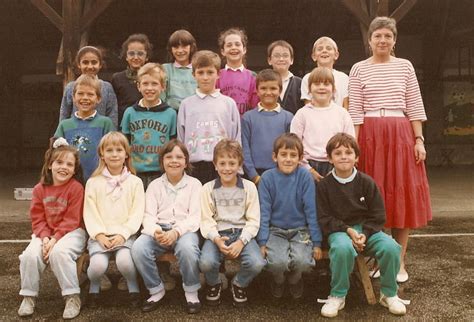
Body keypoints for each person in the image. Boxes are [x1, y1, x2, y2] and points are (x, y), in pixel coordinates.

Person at [348, 16, 432, 283]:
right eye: (377, 36)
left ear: (394, 41)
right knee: (376, 196)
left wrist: (419, 140)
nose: (382, 40)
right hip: (370, 136)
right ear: (369, 40)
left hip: (400, 134)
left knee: (402, 196)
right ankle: (380, 258)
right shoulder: (358, 69)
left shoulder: (405, 67)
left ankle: (399, 262)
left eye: (387, 36)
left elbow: (415, 106)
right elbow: (355, 112)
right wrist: (355, 147)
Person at [317, 133, 410, 317]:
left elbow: (378, 216)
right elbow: (324, 217)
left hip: (368, 231)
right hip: (340, 231)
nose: (343, 156)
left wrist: (365, 234)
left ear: (356, 157)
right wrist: (348, 230)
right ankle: (337, 295)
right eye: (338, 153)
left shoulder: (367, 182)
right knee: (342, 248)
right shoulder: (324, 186)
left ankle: (389, 294)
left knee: (391, 247)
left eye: (348, 152)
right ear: (330, 158)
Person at [18, 138, 85, 319]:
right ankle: (28, 296)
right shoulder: (40, 189)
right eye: (59, 162)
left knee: (59, 253)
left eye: (69, 164)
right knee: (30, 255)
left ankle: (72, 296)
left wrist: (55, 240)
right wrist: (46, 238)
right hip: (46, 233)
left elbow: (72, 219)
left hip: (72, 232)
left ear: (74, 169)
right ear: (49, 165)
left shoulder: (76, 188)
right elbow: (38, 218)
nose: (64, 167)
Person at [132, 139, 202, 314]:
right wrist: (155, 231)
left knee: (187, 249)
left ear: (186, 162)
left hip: (184, 230)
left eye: (179, 157)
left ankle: (191, 292)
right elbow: (147, 215)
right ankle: (156, 289)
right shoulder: (154, 185)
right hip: (158, 230)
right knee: (139, 248)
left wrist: (176, 232)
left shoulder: (195, 185)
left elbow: (195, 217)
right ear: (162, 161)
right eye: (169, 156)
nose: (174, 160)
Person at [199, 139, 265, 307]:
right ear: (215, 165)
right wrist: (215, 239)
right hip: (218, 234)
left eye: (232, 163)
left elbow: (253, 220)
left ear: (239, 164)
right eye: (222, 163)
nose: (227, 168)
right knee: (205, 262)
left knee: (257, 263)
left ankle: (239, 283)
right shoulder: (208, 188)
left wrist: (242, 241)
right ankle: (214, 283)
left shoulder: (249, 187)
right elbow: (206, 220)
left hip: (242, 234)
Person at [83, 132, 145, 308]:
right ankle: (93, 288)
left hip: (125, 235)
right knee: (96, 267)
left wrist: (123, 234)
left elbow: (137, 212)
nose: (114, 154)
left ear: (126, 154)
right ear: (102, 154)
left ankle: (133, 288)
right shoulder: (93, 182)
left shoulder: (135, 182)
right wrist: (99, 235)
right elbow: (90, 211)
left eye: (119, 149)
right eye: (109, 150)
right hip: (100, 236)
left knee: (125, 262)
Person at [257, 133, 322, 299]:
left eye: (293, 155)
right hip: (275, 230)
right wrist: (262, 242)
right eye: (283, 154)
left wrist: (316, 242)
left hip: (300, 229)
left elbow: (311, 211)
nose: (288, 159)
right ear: (274, 156)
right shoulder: (267, 178)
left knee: (303, 262)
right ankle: (278, 280)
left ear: (300, 158)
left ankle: (294, 280)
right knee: (277, 263)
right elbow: (264, 213)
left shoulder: (305, 177)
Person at [177, 50, 241, 184]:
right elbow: (181, 138)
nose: (205, 77)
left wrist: (237, 167)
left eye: (210, 72)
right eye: (200, 73)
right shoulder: (186, 104)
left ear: (218, 74)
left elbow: (236, 136)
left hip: (223, 165)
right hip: (194, 166)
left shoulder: (228, 103)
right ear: (193, 74)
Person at [291, 67, 354, 182]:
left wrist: (337, 168)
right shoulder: (302, 114)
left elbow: (350, 143)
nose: (321, 87)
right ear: (309, 89)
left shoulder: (342, 114)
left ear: (334, 89)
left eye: (326, 84)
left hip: (336, 165)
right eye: (316, 84)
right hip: (307, 166)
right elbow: (295, 144)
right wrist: (308, 169)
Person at [121, 63, 177, 189]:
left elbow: (172, 144)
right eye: (145, 84)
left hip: (161, 171)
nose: (149, 88)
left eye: (154, 84)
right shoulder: (130, 112)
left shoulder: (170, 113)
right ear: (138, 86)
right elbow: (124, 143)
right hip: (134, 171)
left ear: (163, 86)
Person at [54, 74, 114, 180]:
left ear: (98, 98)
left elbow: (112, 151)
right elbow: (55, 153)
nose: (85, 98)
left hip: (99, 179)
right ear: (73, 97)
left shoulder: (105, 123)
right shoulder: (65, 125)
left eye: (90, 94)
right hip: (70, 181)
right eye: (80, 94)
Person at [241, 69, 293, 184]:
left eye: (273, 88)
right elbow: (245, 149)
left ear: (280, 90)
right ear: (257, 91)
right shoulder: (247, 118)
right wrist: (254, 176)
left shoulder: (288, 118)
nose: (268, 92)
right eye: (263, 88)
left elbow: (290, 149)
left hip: (281, 174)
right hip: (255, 175)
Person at [59, 45, 118, 128]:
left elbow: (112, 116)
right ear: (79, 64)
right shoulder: (70, 87)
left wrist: (111, 137)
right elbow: (64, 115)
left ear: (100, 64)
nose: (90, 66)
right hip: (75, 135)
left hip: (101, 136)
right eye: (85, 62)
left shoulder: (107, 87)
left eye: (94, 62)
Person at [216, 27, 259, 116]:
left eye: (237, 44)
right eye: (229, 45)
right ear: (222, 51)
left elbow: (255, 107)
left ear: (244, 49)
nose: (233, 48)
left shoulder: (253, 77)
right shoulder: (217, 75)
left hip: (245, 126)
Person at [112, 34, 152, 126]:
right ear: (126, 56)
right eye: (131, 53)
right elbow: (114, 108)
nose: (136, 57)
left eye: (140, 54)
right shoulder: (117, 78)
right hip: (124, 126)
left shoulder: (152, 78)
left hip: (148, 124)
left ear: (147, 57)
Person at [300, 37, 349, 108]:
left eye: (329, 48)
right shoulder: (307, 78)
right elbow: (308, 106)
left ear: (336, 55)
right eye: (320, 49)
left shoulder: (344, 78)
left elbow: (346, 106)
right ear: (314, 56)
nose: (324, 51)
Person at [161, 29, 198, 111]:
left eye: (184, 46)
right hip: (170, 113)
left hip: (194, 114)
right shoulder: (165, 69)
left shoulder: (198, 69)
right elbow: (161, 98)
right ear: (171, 49)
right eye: (176, 47)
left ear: (191, 47)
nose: (180, 51)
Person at [267, 40, 303, 114]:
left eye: (285, 56)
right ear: (269, 60)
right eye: (277, 56)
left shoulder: (300, 83)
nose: (281, 59)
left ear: (292, 60)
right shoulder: (263, 83)